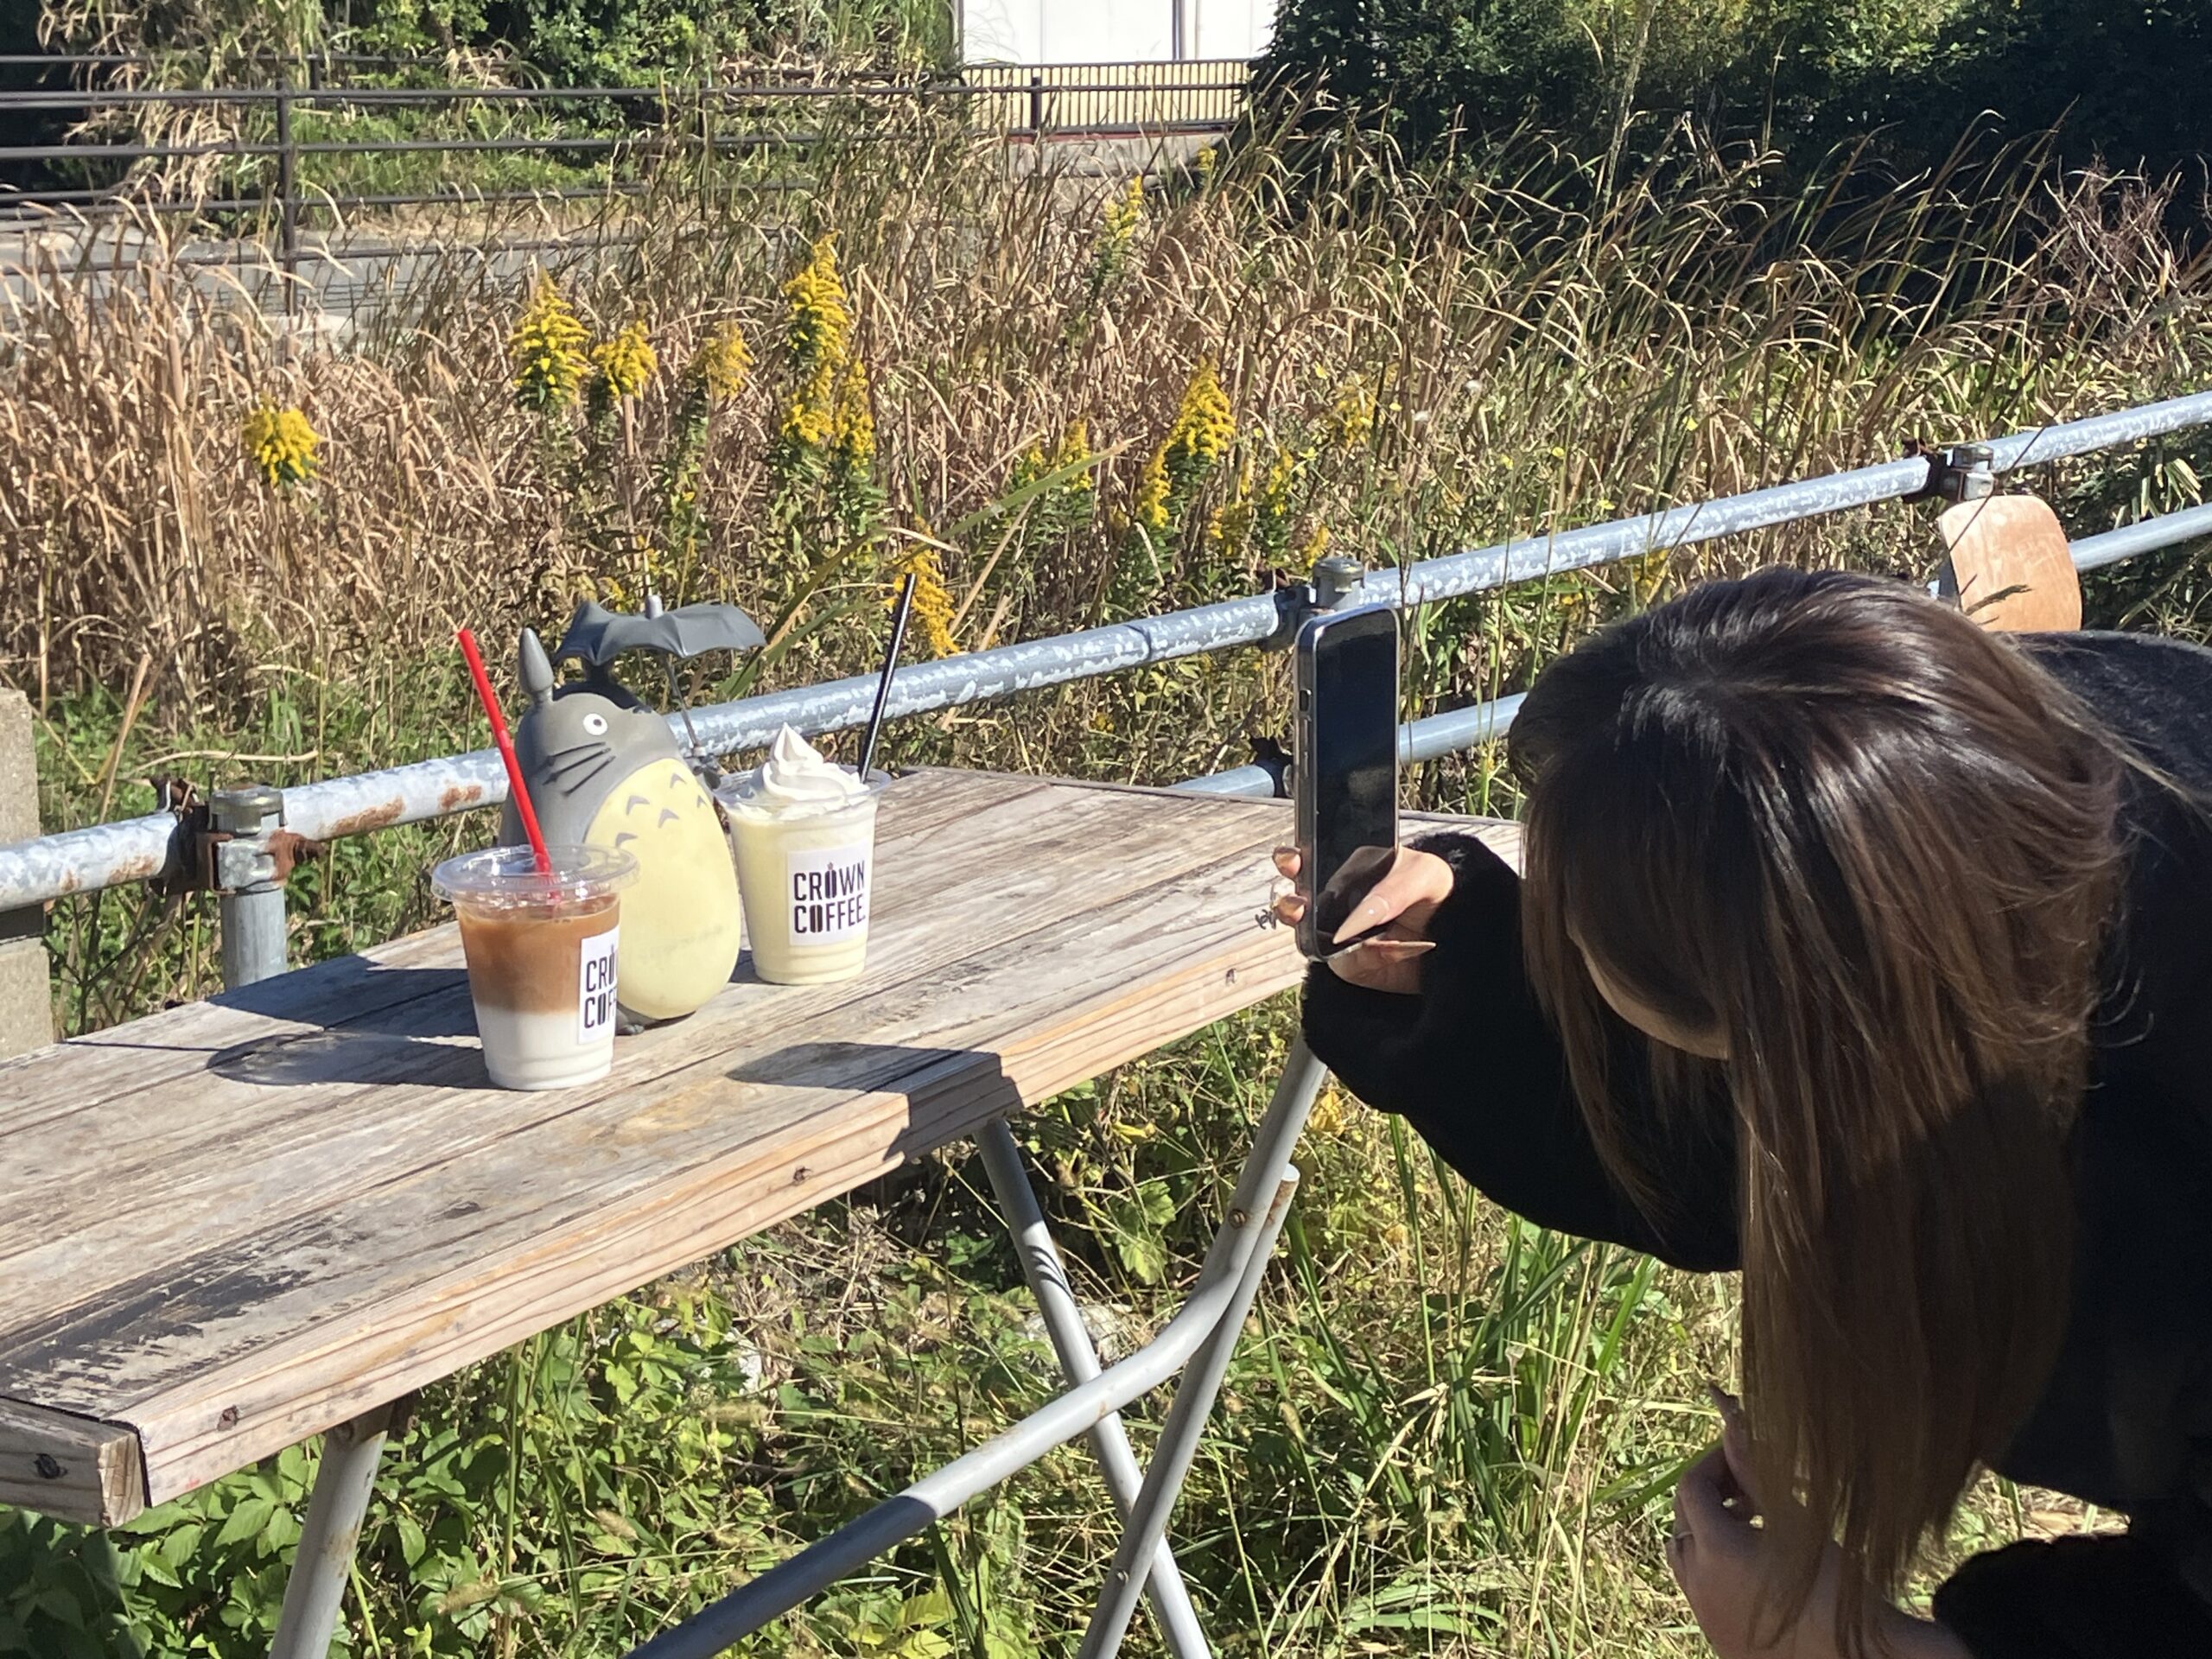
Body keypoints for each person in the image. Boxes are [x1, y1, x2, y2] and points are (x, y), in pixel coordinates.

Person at [1272, 567, 2212, 1659]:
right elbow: (1717, 1138)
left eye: (1571, 937)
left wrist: (1863, 1649)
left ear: (1786, 1021)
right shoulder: (1951, 761)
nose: (1558, 942)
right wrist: (1468, 959)